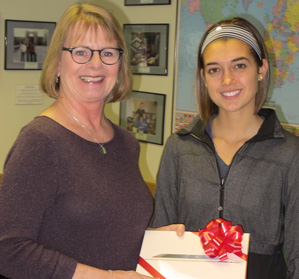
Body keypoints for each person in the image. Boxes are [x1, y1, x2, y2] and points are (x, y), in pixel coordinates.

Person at [0, 4, 156, 279]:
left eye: (108, 53)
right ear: (58, 64)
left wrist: (154, 239)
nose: (95, 64)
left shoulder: (125, 142)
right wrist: (105, 277)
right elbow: (8, 250)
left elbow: (103, 229)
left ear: (119, 66)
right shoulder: (40, 142)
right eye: (81, 52)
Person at [151, 17, 299, 279]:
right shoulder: (179, 148)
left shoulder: (289, 154)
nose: (227, 79)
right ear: (203, 77)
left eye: (239, 65)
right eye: (214, 69)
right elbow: (159, 238)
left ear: (261, 69)